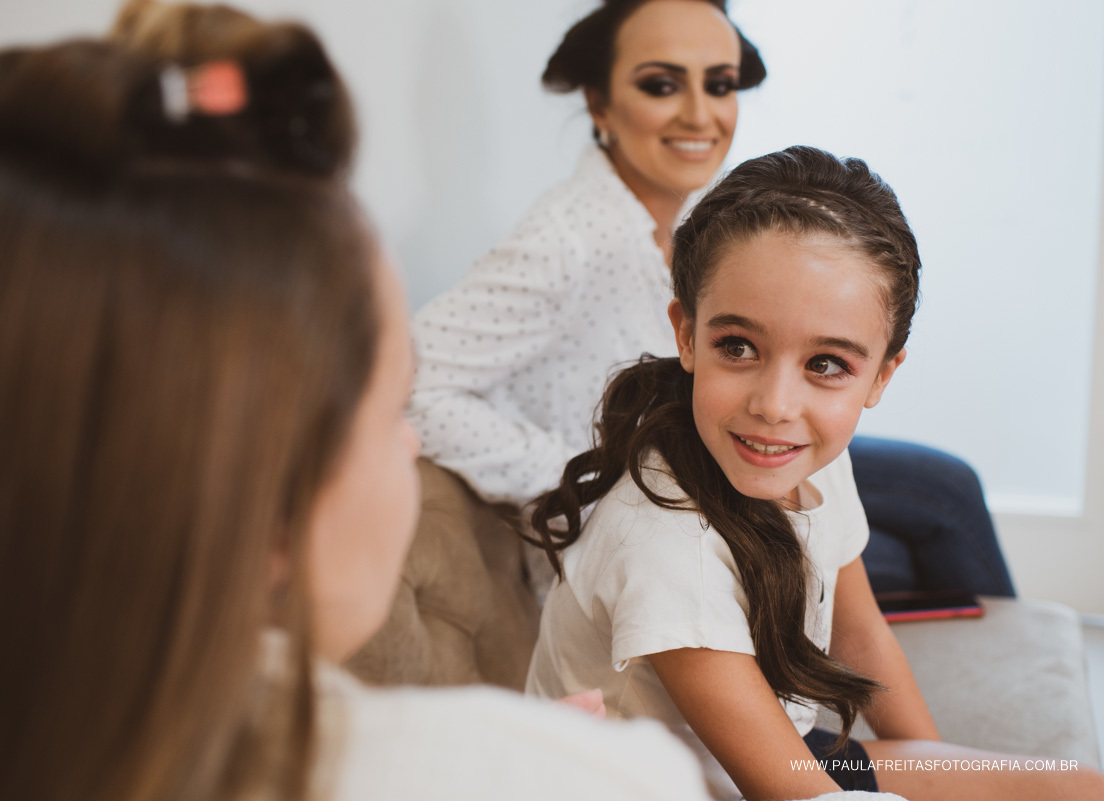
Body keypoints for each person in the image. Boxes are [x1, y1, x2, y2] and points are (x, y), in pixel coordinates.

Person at [0, 11, 897, 801]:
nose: (411, 442)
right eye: (384, 415)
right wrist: (582, 477)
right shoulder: (562, 764)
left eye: (720, 82)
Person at [524, 145, 1103, 801]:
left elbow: (861, 637)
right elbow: (793, 792)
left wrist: (937, 766)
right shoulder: (667, 554)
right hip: (685, 784)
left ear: (881, 374)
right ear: (687, 334)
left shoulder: (814, 457)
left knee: (1073, 787)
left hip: (787, 758)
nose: (774, 405)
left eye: (826, 363)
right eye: (737, 346)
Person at [408, 0, 1013, 597]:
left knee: (943, 489)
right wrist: (584, 474)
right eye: (662, 85)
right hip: (662, 510)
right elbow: (407, 387)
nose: (701, 115)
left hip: (726, 454)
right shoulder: (566, 239)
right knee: (929, 518)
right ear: (599, 103)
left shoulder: (694, 212)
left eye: (719, 85)